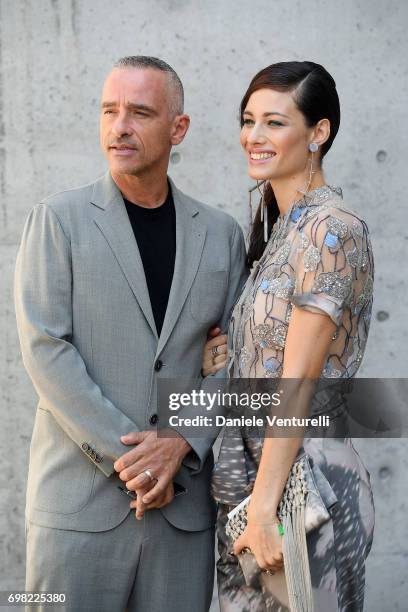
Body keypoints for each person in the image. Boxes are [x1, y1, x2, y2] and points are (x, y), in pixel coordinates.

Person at [14, 56, 247, 612]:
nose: (119, 126)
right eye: (109, 111)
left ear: (178, 128)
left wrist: (181, 443)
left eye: (140, 112)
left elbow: (235, 363)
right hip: (77, 512)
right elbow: (45, 350)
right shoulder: (58, 219)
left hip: (181, 516)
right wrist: (138, 461)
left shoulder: (221, 234)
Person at [202, 61, 375, 611]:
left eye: (274, 123)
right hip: (252, 492)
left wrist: (263, 509)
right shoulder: (278, 232)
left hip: (302, 491)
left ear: (318, 132)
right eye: (248, 120)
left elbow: (298, 380)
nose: (254, 136)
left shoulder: (332, 230)